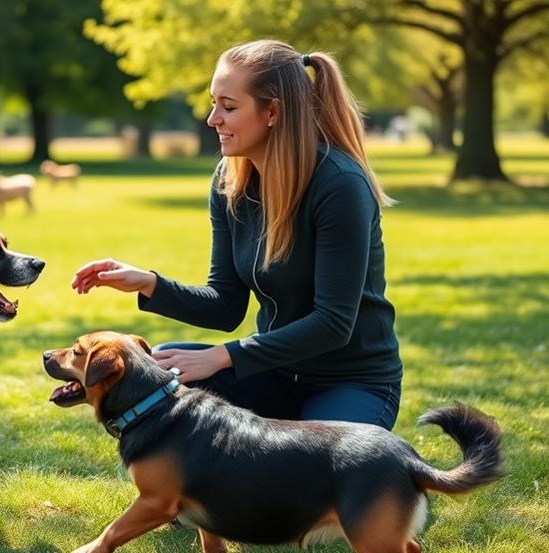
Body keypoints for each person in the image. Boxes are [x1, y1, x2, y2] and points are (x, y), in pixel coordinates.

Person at [71, 40, 402, 430]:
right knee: (160, 370)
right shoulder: (231, 183)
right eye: (214, 103)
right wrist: (149, 284)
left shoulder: (340, 185)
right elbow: (225, 305)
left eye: (228, 107)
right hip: (273, 374)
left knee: (310, 478)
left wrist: (222, 356)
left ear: (272, 112)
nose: (213, 118)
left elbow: (332, 323)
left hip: (352, 383)